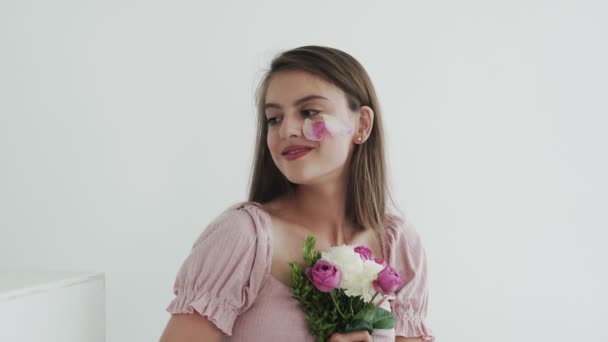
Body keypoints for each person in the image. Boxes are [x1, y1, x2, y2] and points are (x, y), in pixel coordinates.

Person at [159, 45, 435, 342]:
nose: (287, 129)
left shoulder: (398, 244)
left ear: (362, 125)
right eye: (274, 118)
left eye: (309, 112)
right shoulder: (244, 237)